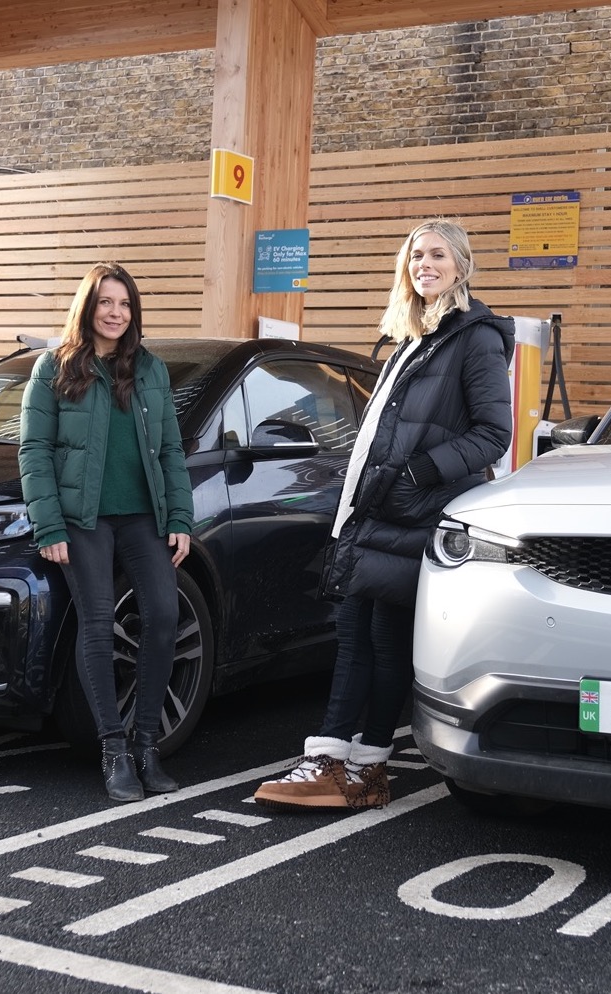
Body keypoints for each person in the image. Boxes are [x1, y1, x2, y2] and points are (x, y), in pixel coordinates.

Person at [254, 218, 513, 812]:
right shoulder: (413, 341)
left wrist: (418, 473)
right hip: (379, 510)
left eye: (438, 255)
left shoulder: (475, 338)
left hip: (413, 510)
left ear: (462, 264)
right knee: (363, 634)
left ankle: (347, 764)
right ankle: (358, 768)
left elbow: (493, 434)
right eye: (417, 255)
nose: (425, 264)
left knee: (375, 637)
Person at [19, 262, 194, 802]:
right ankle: (114, 751)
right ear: (87, 308)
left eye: (124, 304)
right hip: (82, 518)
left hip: (143, 515)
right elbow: (35, 450)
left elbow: (169, 450)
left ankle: (147, 746)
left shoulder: (151, 370)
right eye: (105, 303)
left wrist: (180, 518)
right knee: (97, 624)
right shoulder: (54, 367)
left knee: (164, 614)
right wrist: (48, 522)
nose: (115, 313)